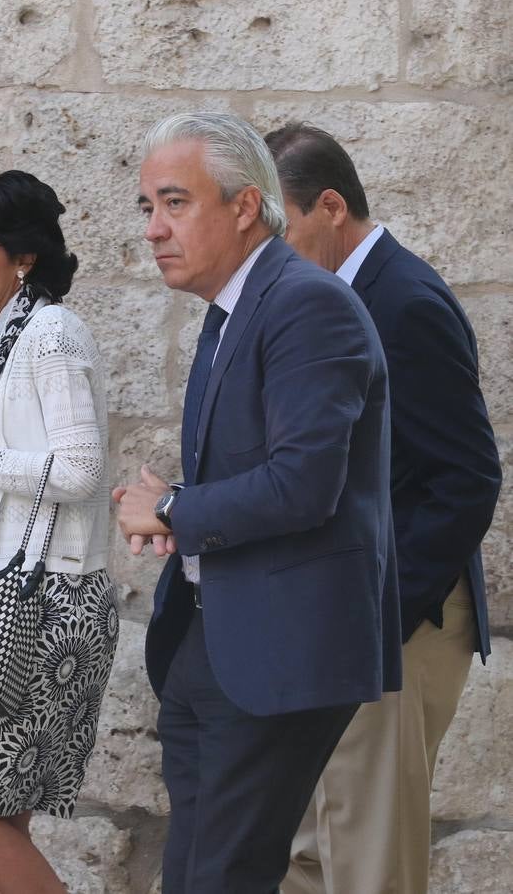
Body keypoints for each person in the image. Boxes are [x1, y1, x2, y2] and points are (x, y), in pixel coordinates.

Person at [113, 112, 403, 894]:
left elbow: (305, 483)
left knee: (224, 878)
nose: (154, 229)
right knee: (196, 877)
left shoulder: (308, 304)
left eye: (175, 203)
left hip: (278, 652)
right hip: (211, 644)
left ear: (246, 207)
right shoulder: (234, 309)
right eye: (148, 207)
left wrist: (173, 508)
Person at [265, 122, 502, 894]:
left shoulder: (402, 301)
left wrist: (374, 617)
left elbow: (465, 479)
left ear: (331, 206)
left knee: (366, 867)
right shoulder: (336, 293)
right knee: (301, 853)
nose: (267, 251)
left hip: (390, 631)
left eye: (281, 227)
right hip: (332, 628)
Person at [0, 168, 118, 894]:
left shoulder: (52, 336)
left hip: (47, 604)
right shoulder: (1, 340)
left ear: (24, 257)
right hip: (5, 599)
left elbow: (82, 471)